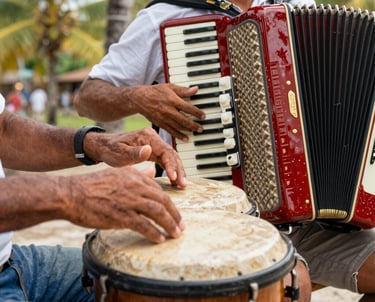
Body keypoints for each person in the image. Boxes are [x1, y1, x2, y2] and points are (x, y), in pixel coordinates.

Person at [74, 0, 375, 301]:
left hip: (310, 220)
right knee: (293, 284)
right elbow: (87, 97)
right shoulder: (164, 17)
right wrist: (138, 97)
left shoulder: (297, 6)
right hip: (217, 220)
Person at [0, 92, 187, 301]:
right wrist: (73, 194)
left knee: (152, 282)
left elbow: (3, 129)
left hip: (12, 261)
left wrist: (96, 144)